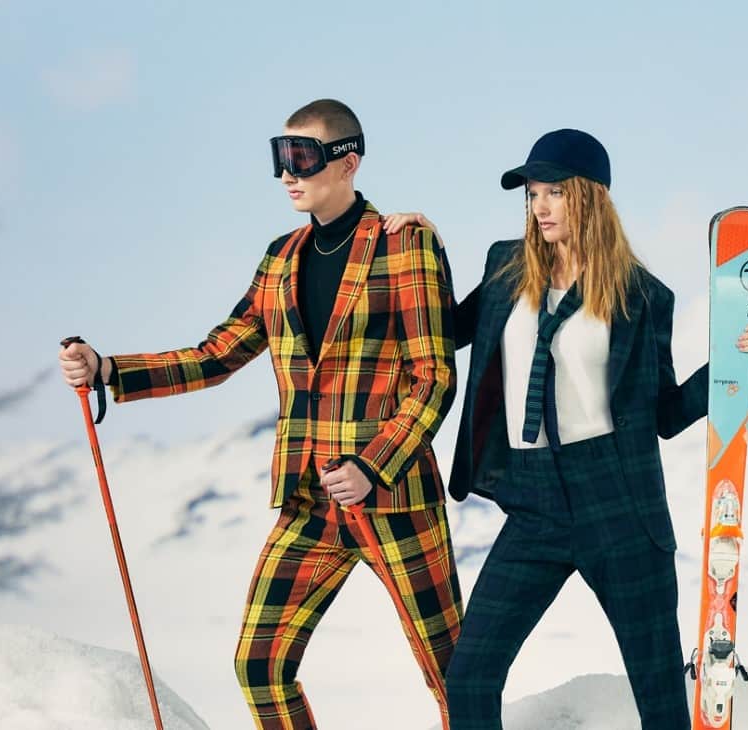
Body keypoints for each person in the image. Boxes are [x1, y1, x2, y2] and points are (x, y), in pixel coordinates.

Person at [59, 99, 461, 730]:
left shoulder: (404, 245)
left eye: (300, 157)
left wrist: (372, 466)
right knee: (259, 667)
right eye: (279, 156)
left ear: (347, 161)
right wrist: (110, 368)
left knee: (455, 678)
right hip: (309, 502)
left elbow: (434, 378)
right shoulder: (280, 257)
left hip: (392, 500)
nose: (286, 174)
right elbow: (215, 355)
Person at [383, 128, 748, 729]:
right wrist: (415, 245)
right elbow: (441, 327)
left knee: (660, 696)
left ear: (589, 197)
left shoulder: (641, 297)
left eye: (554, 192)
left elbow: (663, 414)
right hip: (533, 505)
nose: (539, 206)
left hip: (618, 505)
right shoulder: (507, 269)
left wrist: (731, 362)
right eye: (532, 193)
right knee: (470, 675)